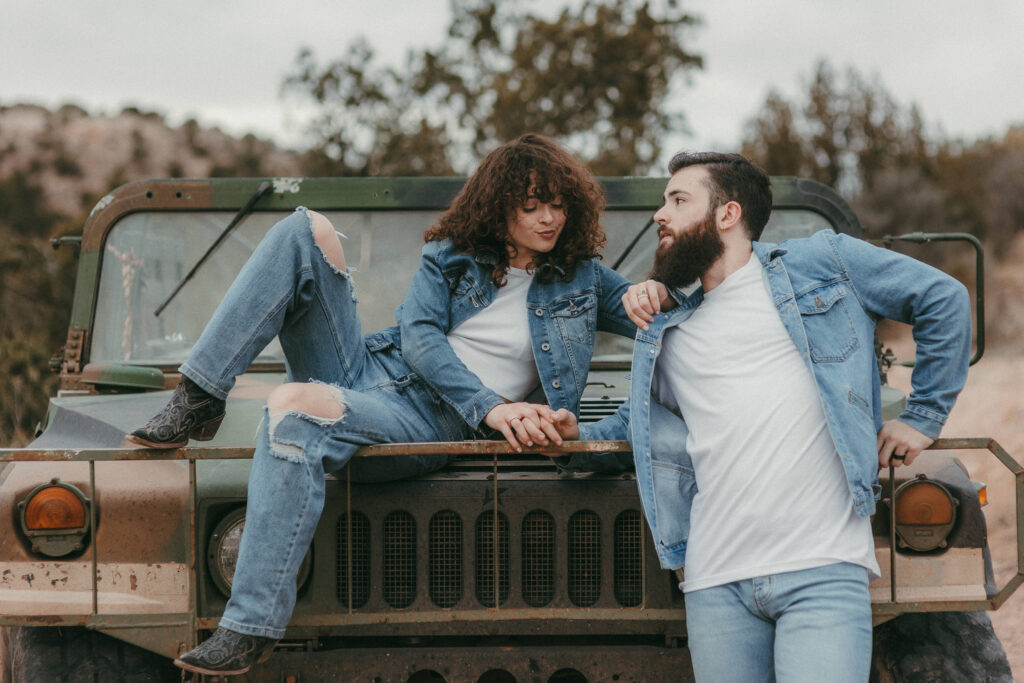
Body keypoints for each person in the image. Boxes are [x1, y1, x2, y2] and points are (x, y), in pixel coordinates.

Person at [128, 134, 638, 677]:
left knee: (289, 407)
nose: (548, 218)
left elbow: (668, 324)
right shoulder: (451, 256)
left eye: (558, 204)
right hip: (373, 371)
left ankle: (248, 626)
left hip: (427, 419)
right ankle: (201, 395)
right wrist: (492, 406)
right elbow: (420, 337)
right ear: (499, 204)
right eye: (530, 204)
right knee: (305, 229)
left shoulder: (585, 280)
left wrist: (662, 293)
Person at [551, 152, 972, 681]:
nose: (661, 214)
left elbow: (943, 298)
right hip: (715, 580)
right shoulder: (670, 332)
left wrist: (924, 414)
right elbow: (640, 421)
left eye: (678, 200)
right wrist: (576, 436)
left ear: (726, 215)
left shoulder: (821, 265)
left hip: (820, 567)